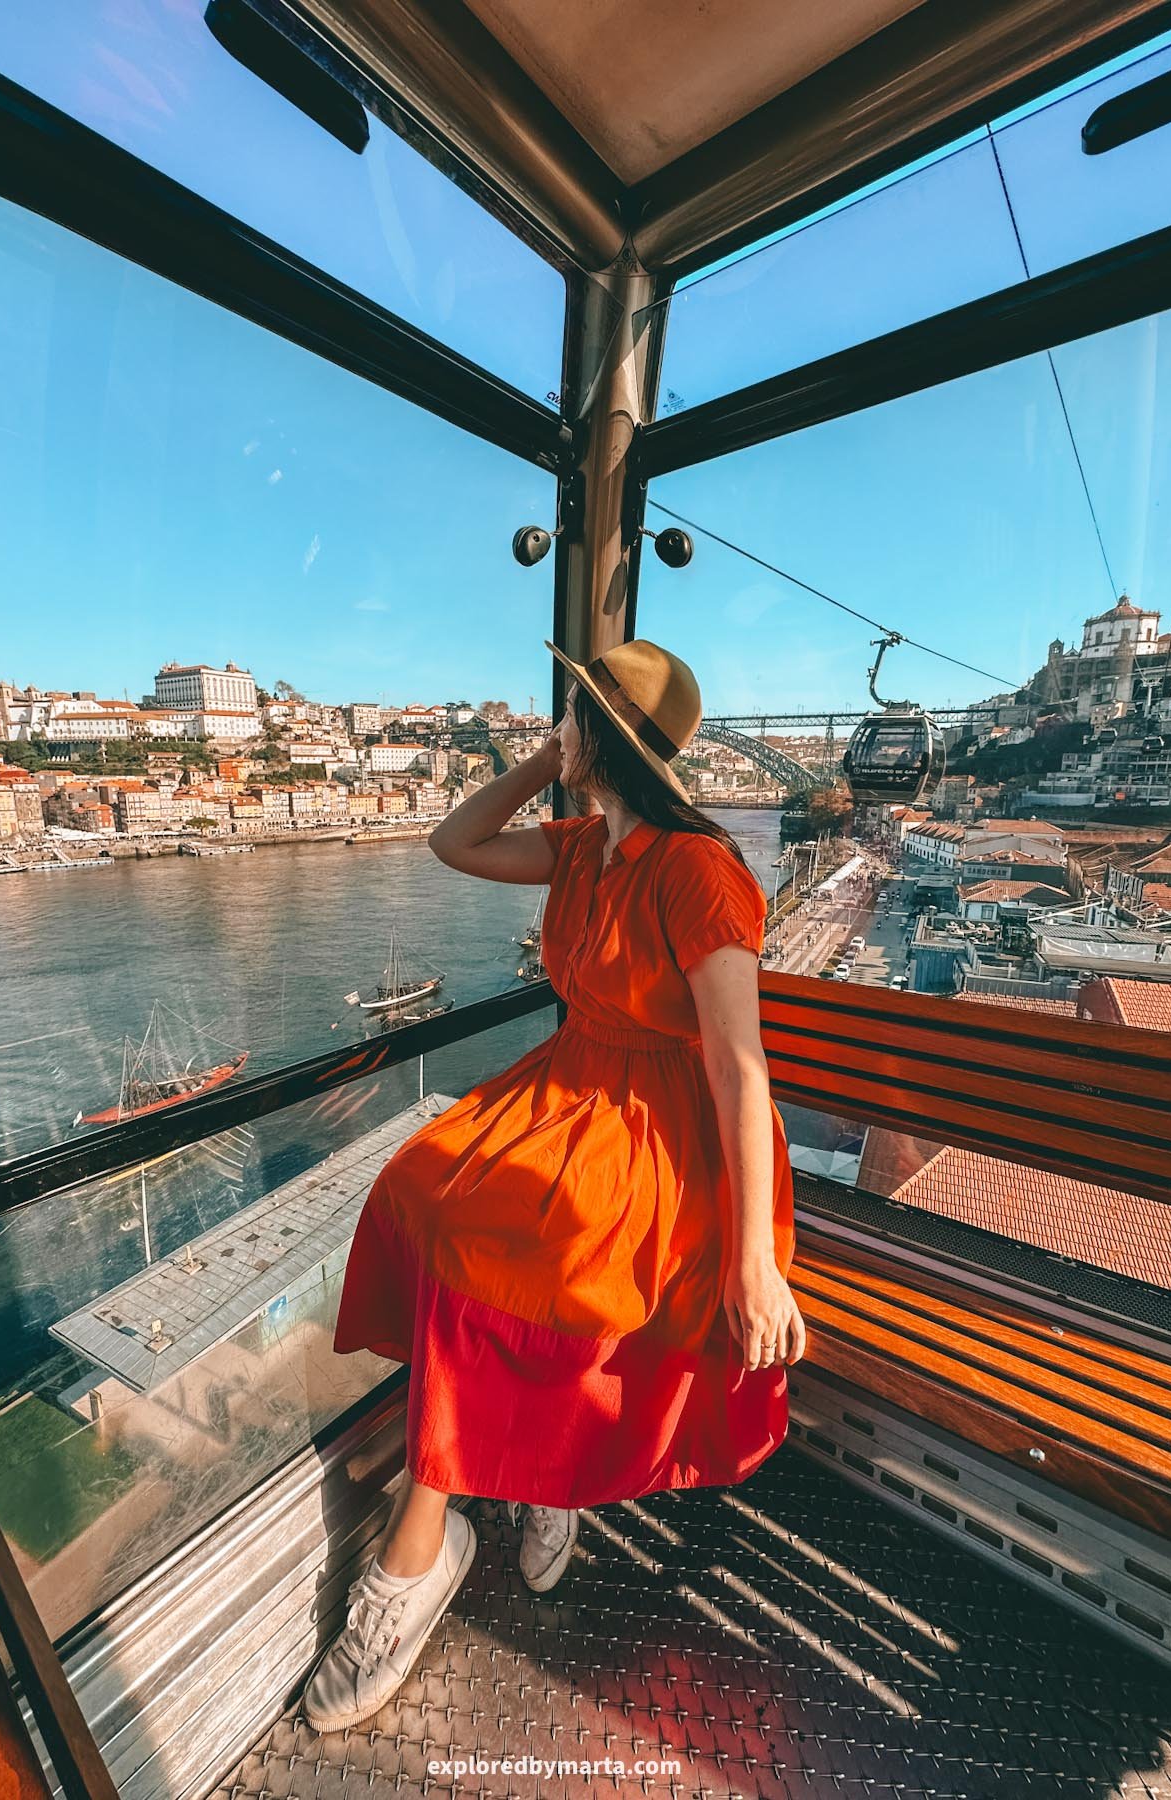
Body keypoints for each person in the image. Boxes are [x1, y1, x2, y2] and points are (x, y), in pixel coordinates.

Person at [304, 637, 806, 1735]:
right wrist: (549, 760)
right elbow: (452, 841)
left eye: (573, 712)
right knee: (417, 1188)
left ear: (608, 736)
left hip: (663, 1125)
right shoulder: (583, 847)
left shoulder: (698, 871)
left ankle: (421, 1556)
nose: (557, 723)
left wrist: (754, 1261)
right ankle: (534, 1482)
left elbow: (738, 1065)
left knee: (496, 1256)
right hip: (575, 1086)